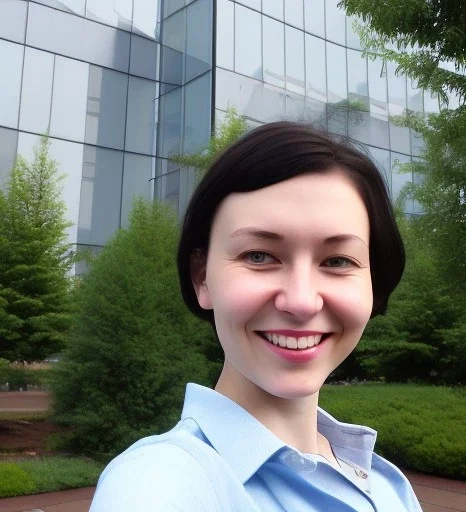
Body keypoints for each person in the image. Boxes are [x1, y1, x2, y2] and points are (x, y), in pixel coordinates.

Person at [90, 122, 423, 511]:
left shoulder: (386, 485)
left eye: (337, 261)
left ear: (373, 284)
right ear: (202, 277)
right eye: (259, 256)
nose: (301, 301)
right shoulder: (160, 483)